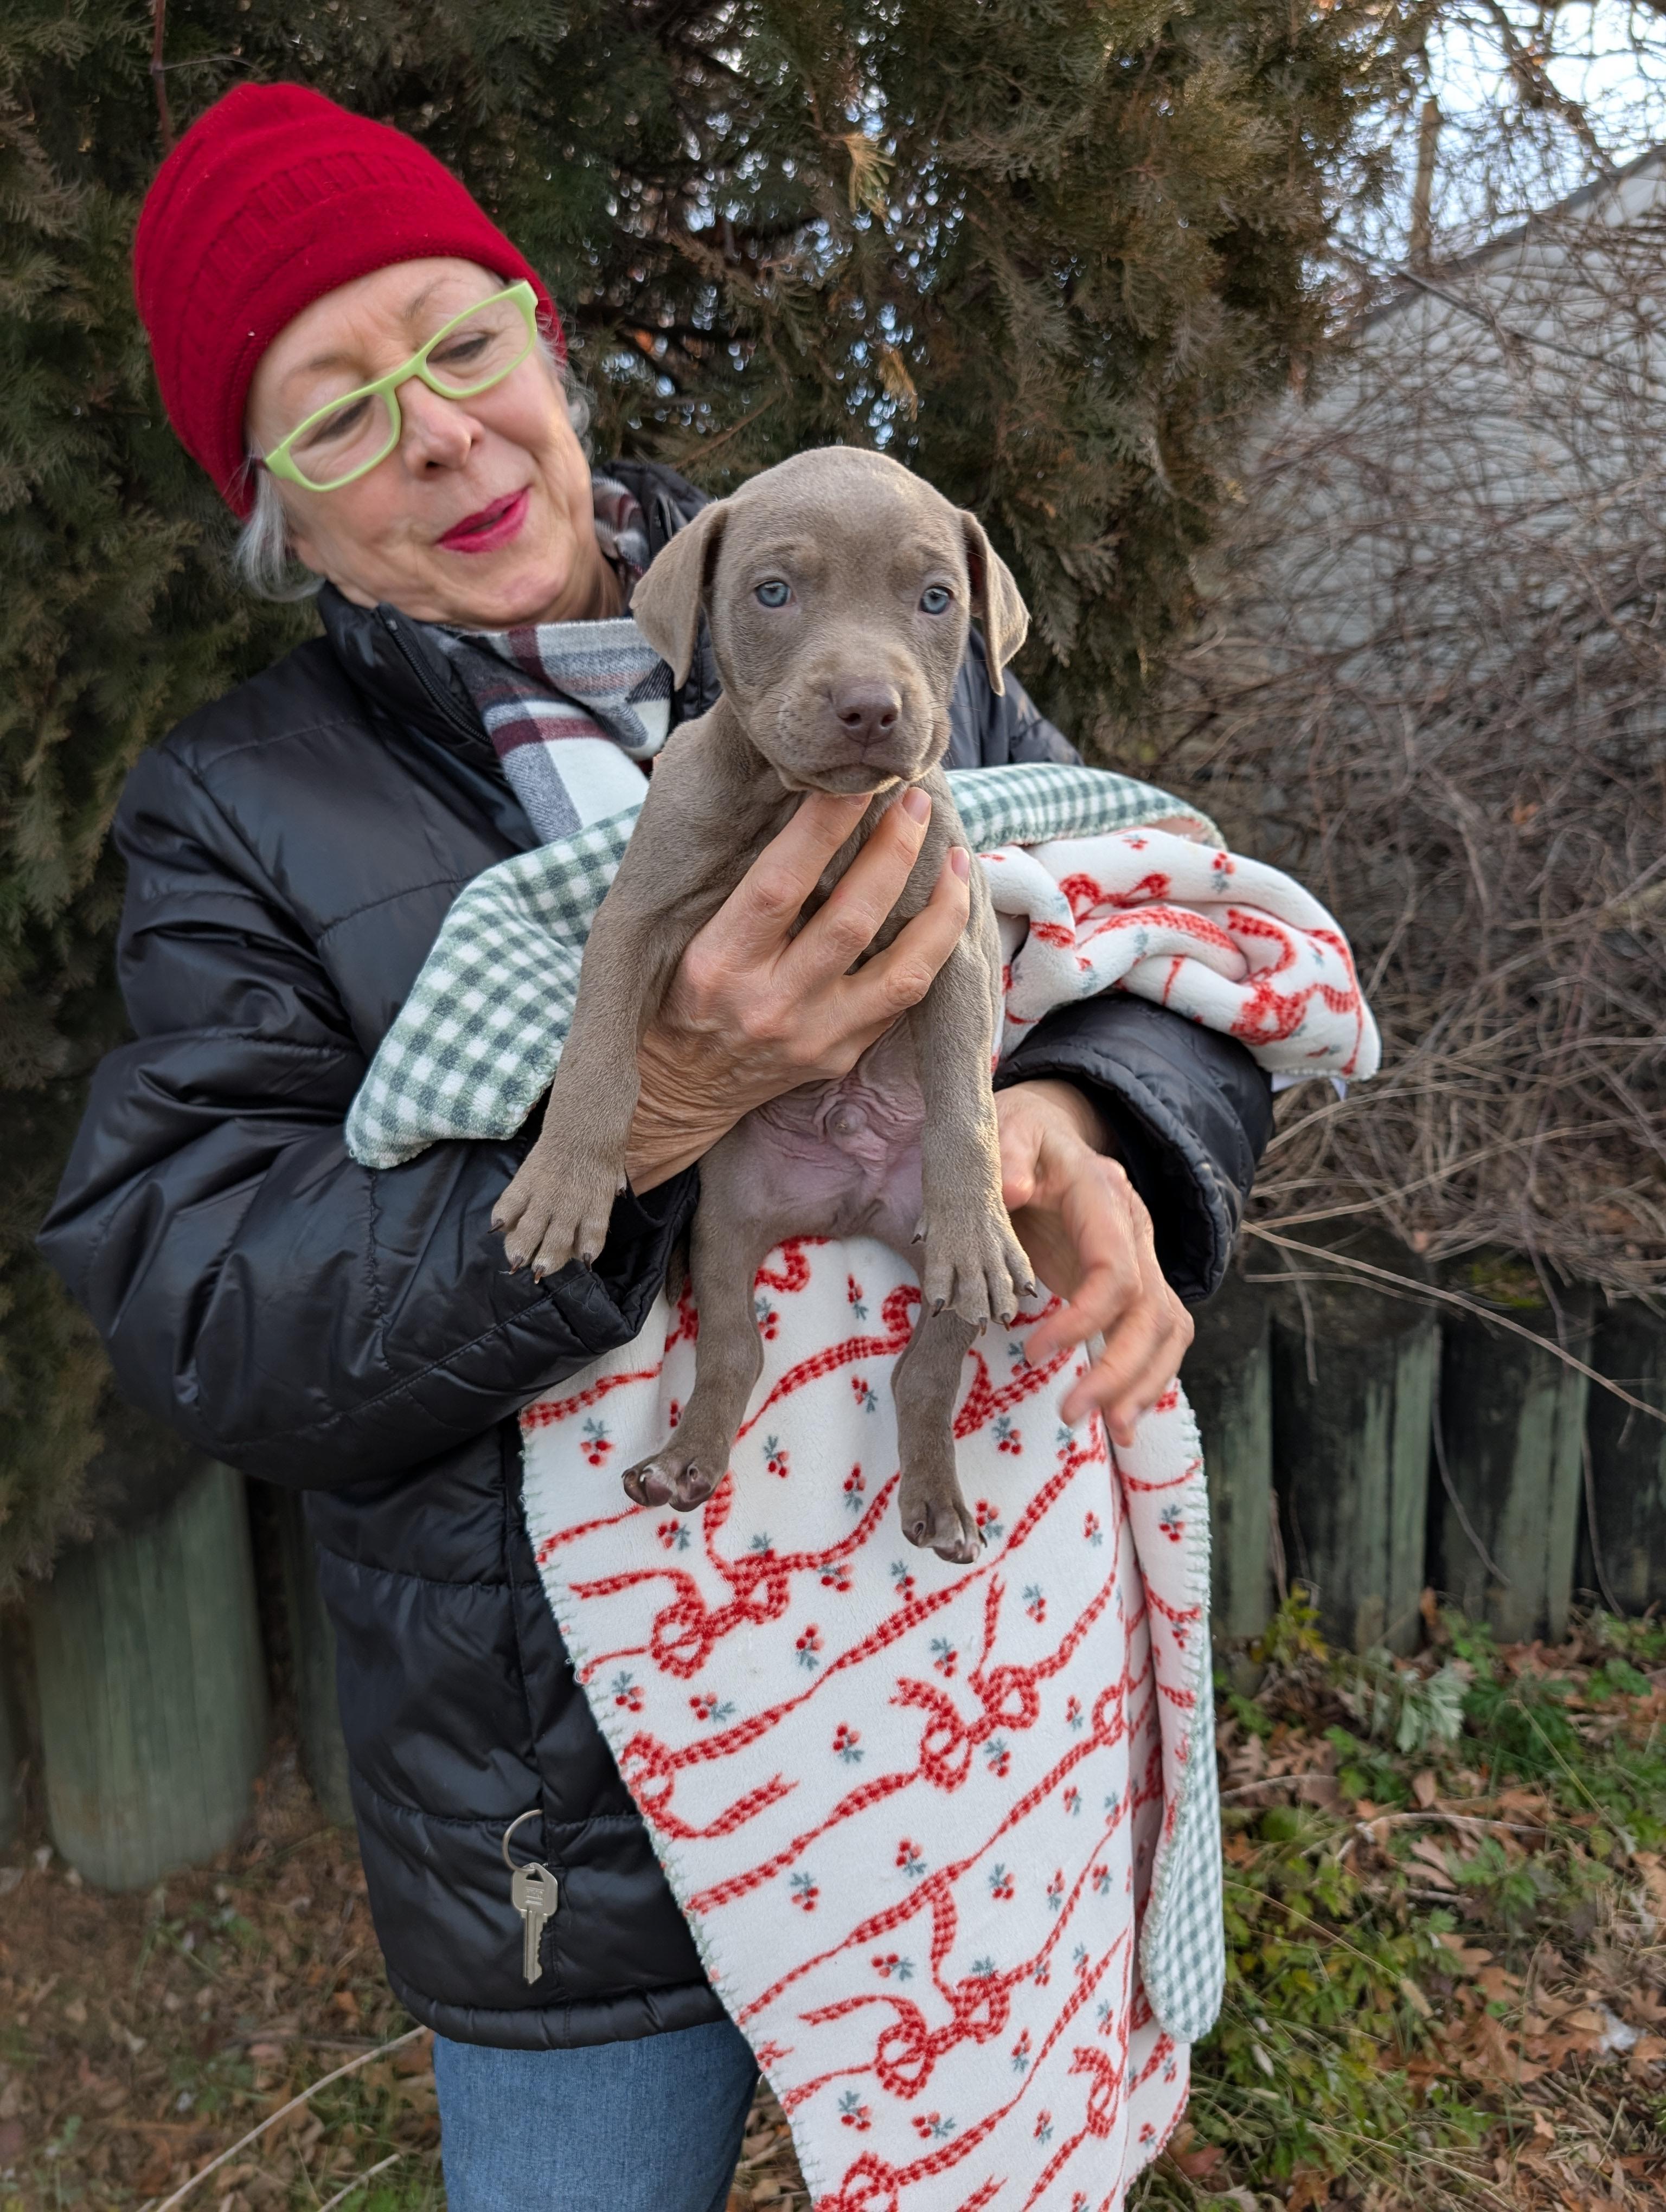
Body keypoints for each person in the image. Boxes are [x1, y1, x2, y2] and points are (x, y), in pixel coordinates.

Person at [39, 83, 1272, 2212]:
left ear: (549, 341)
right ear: (277, 516)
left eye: (457, 341)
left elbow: (1160, 918)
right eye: (334, 414)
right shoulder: (234, 816)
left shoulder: (860, 603)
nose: (436, 431)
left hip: (973, 1695)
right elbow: (216, 1314)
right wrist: (659, 1113)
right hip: (575, 1839)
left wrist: (1090, 1127)